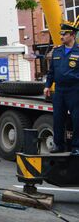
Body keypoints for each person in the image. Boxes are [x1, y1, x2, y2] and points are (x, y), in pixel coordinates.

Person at [44, 20, 79, 154]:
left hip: (74, 90)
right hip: (59, 90)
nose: (61, 37)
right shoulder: (57, 51)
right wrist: (47, 85)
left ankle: (76, 147)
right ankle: (58, 145)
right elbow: (51, 71)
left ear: (72, 35)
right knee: (58, 118)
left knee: (77, 119)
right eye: (61, 34)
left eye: (64, 34)